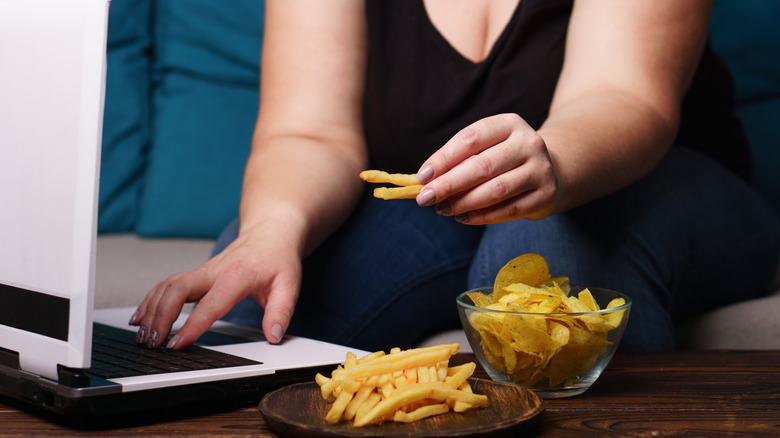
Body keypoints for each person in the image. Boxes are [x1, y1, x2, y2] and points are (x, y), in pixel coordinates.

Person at [130, 0, 779, 352]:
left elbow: (624, 95)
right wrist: (272, 229)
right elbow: (309, 130)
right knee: (249, 298)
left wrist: (548, 160)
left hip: (644, 177)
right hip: (437, 201)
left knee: (541, 254)